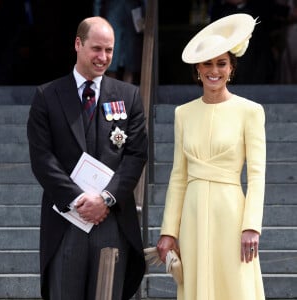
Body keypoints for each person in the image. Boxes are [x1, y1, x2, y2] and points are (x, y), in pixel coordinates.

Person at [27, 16, 148, 300]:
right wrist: (79, 201)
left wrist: (104, 199)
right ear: (78, 44)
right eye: (96, 49)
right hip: (67, 219)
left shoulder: (129, 96)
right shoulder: (47, 96)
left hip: (111, 220)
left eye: (109, 50)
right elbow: (42, 158)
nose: (103, 57)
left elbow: (136, 155)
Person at [157, 13, 266, 300]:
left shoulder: (251, 111)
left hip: (231, 215)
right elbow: (178, 176)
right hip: (192, 217)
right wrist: (168, 230)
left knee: (234, 286)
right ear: (197, 69)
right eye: (208, 63)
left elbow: (256, 176)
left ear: (231, 68)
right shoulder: (183, 113)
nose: (214, 70)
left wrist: (251, 226)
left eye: (221, 63)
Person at [92, 0, 145, 84]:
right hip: (113, 13)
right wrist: (96, 21)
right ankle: (111, 93)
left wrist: (145, 14)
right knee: (111, 54)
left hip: (132, 15)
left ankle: (127, 94)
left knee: (130, 58)